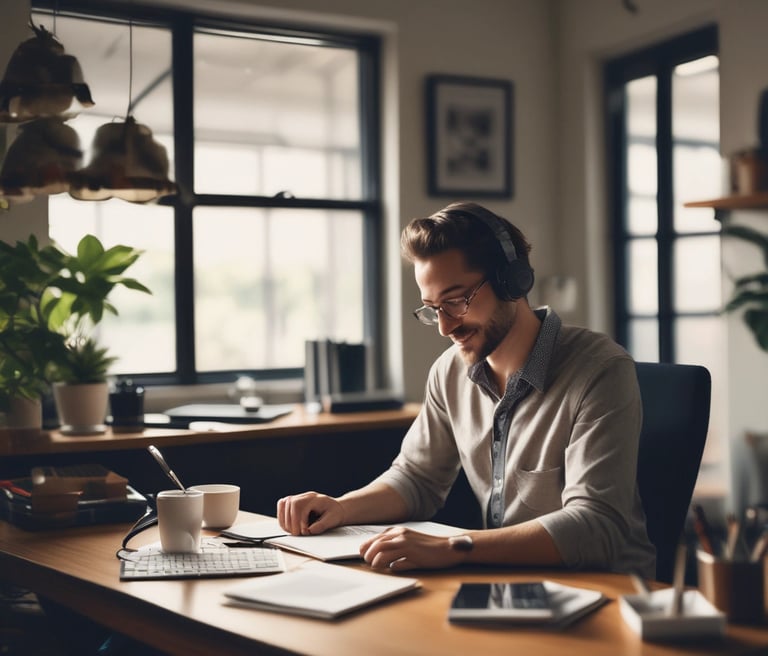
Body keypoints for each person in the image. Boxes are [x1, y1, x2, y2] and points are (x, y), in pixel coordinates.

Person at [278, 201, 656, 578]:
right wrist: (342, 508)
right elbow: (417, 478)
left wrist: (454, 548)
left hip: (608, 595)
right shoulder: (449, 372)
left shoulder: (600, 371)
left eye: (457, 301)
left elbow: (595, 527)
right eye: (432, 308)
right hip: (505, 581)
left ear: (512, 280)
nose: (445, 327)